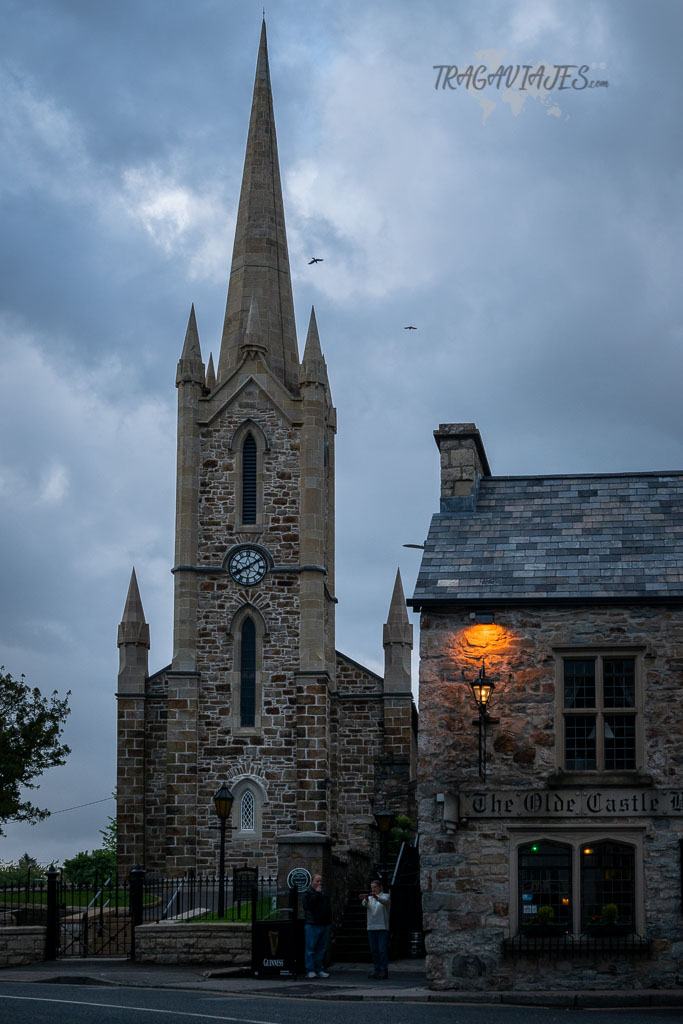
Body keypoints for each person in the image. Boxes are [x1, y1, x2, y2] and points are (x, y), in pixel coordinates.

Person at [360, 878, 391, 979]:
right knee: (374, 950)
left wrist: (376, 897)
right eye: (372, 888)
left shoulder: (385, 896)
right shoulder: (370, 898)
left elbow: (384, 901)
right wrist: (365, 898)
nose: (373, 889)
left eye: (375, 887)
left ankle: (383, 970)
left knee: (382, 950)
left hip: (382, 927)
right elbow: (364, 905)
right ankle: (376, 969)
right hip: (371, 927)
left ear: (380, 887)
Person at [302, 873, 331, 979]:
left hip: (324, 924)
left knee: (321, 949)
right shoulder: (307, 893)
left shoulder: (323, 893)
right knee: (310, 949)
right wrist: (316, 894)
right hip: (313, 924)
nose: (319, 883)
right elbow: (309, 906)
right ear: (312, 882)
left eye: (320, 881)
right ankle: (310, 970)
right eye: (317, 881)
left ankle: (319, 969)